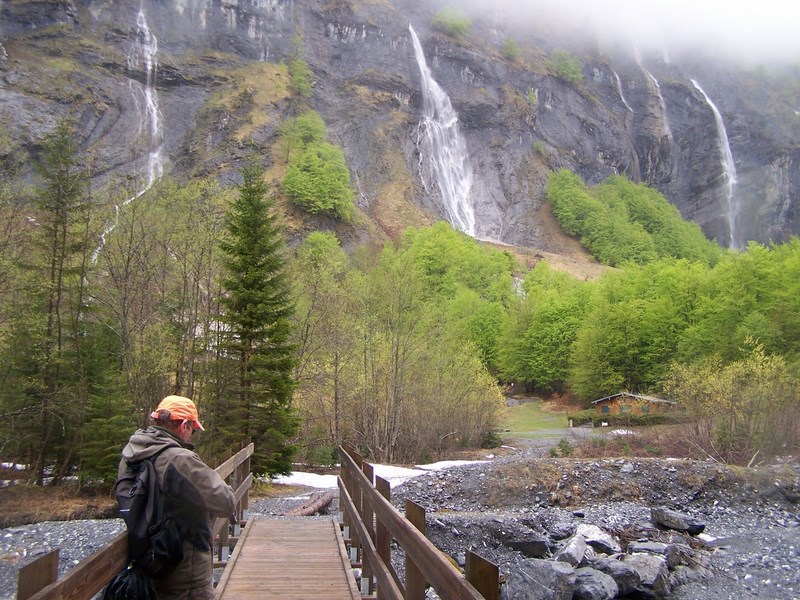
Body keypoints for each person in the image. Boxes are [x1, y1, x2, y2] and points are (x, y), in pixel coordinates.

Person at [119, 395, 236, 600]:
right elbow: (226, 502)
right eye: (192, 429)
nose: (191, 436)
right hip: (185, 576)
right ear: (183, 425)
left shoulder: (130, 456)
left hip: (148, 565)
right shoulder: (180, 460)